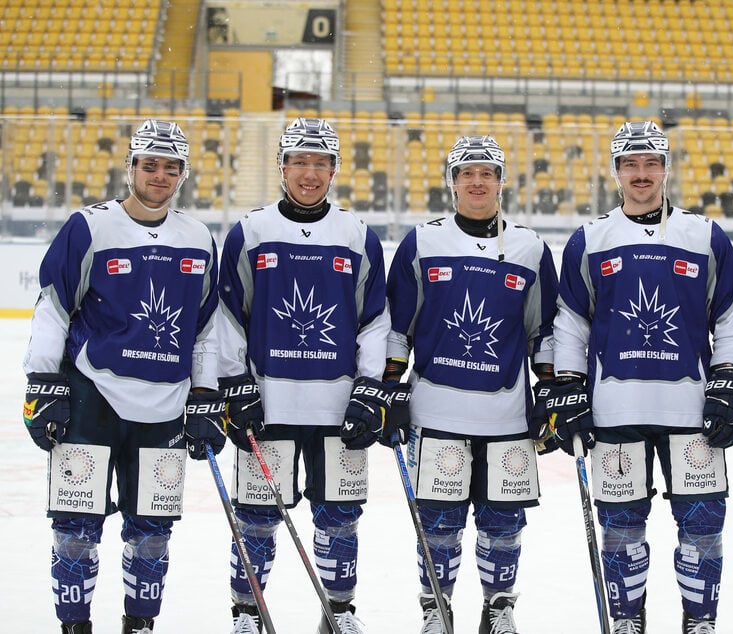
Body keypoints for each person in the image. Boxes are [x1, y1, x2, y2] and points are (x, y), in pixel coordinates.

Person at [541, 121, 733, 634]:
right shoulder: (592, 239)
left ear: (666, 169)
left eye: (651, 162)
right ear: (615, 171)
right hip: (616, 411)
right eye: (630, 163)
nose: (641, 173)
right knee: (621, 529)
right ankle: (628, 620)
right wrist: (568, 386)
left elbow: (729, 316)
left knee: (702, 527)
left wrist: (727, 377)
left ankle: (699, 622)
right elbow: (571, 320)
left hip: (691, 412)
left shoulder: (703, 235)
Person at [22, 119, 224, 634]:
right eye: (150, 164)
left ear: (183, 175)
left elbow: (205, 327)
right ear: (131, 166)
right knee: (75, 530)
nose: (160, 175)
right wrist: (43, 383)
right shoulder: (89, 226)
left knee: (152, 532)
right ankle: (75, 625)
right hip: (93, 397)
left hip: (166, 406)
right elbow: (53, 307)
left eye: (171, 167)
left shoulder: (197, 237)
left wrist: (204, 393)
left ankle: (140, 625)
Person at [216, 118, 390, 634]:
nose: (310, 173)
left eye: (320, 162)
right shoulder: (250, 232)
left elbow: (374, 319)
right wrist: (235, 383)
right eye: (299, 162)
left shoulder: (357, 235)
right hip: (269, 403)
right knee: (255, 518)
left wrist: (369, 387)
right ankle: (247, 613)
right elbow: (228, 316)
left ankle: (338, 612)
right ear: (282, 167)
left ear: (334, 169)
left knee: (340, 515)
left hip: (337, 406)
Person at [384, 135, 559, 634]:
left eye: (488, 173)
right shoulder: (423, 241)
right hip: (435, 413)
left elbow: (542, 329)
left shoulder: (528, 246)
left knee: (503, 524)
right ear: (452, 182)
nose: (477, 182)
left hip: (507, 417)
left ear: (502, 182)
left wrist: (548, 390)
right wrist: (390, 387)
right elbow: (400, 324)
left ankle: (498, 606)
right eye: (467, 173)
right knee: (437, 525)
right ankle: (436, 610)